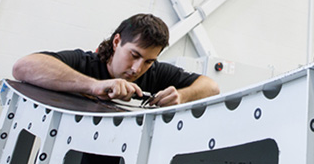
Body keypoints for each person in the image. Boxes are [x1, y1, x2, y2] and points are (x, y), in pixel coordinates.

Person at [12, 13, 219, 107]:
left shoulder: (155, 73)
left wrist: (182, 96)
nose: (138, 68)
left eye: (148, 61)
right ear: (117, 41)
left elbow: (211, 87)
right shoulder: (86, 64)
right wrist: (94, 86)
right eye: (134, 55)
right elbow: (23, 67)